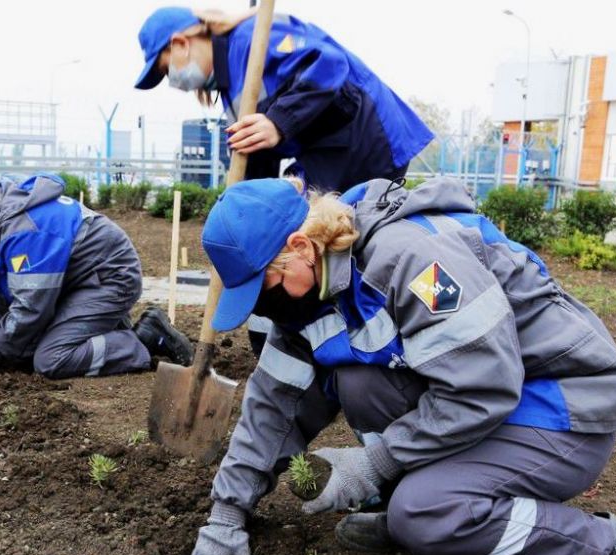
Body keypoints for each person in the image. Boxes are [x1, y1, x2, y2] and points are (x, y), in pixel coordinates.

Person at [190, 176, 616, 555]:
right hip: (489, 402)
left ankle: (602, 552)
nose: (264, 305)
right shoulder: (310, 296)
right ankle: (414, 507)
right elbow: (274, 405)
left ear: (300, 246)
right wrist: (227, 513)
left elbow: (483, 386)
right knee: (360, 382)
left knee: (426, 513)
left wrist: (373, 465)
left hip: (562, 407)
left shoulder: (413, 263)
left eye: (265, 286)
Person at [134, 7, 435, 357]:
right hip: (325, 149)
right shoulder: (232, 87)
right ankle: (285, 337)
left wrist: (278, 122)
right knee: (285, 241)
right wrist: (242, 219)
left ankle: (345, 339)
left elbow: (329, 64)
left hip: (361, 136)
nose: (172, 78)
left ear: (181, 42)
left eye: (164, 66)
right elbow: (258, 161)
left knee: (326, 239)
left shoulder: (249, 41)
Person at [0, 165, 194, 379]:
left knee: (50, 358)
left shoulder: (20, 228)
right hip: (75, 281)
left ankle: (141, 342)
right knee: (23, 346)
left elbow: (31, 307)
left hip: (109, 279)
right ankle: (108, 330)